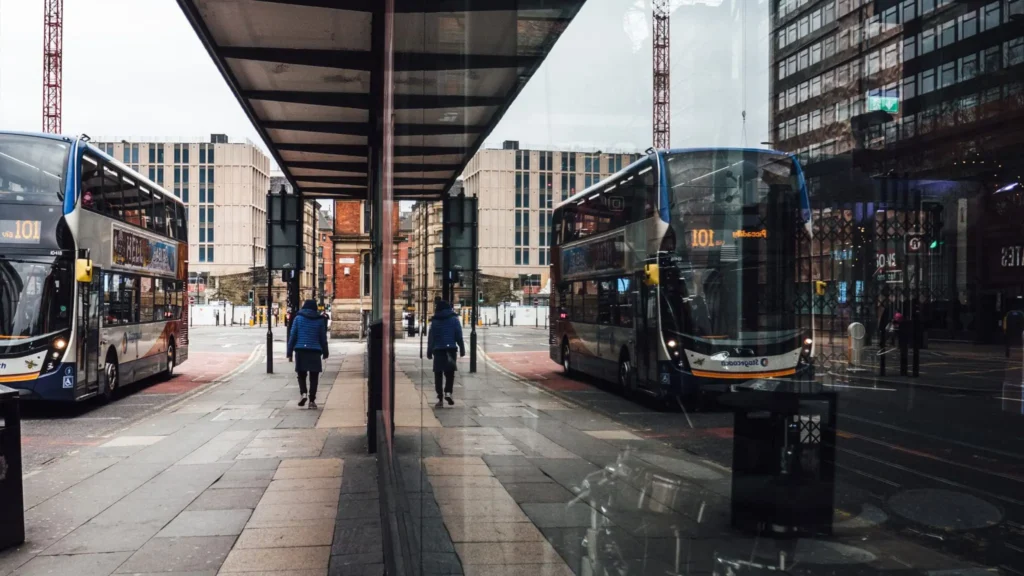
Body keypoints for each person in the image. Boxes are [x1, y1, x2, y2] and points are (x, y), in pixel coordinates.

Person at [287, 299, 329, 409]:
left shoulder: (298, 319)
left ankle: (303, 393)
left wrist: (289, 352)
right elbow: (323, 338)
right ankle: (312, 401)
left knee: (301, 375)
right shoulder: (320, 320)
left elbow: (293, 336)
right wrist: (325, 352)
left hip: (301, 350)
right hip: (315, 351)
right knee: (314, 377)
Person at [427, 300, 465, 408]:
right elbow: (458, 335)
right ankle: (448, 392)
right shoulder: (454, 319)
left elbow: (431, 339)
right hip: (451, 350)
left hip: (438, 350)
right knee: (449, 374)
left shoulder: (434, 321)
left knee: (438, 374)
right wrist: (462, 348)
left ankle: (439, 398)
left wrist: (429, 351)